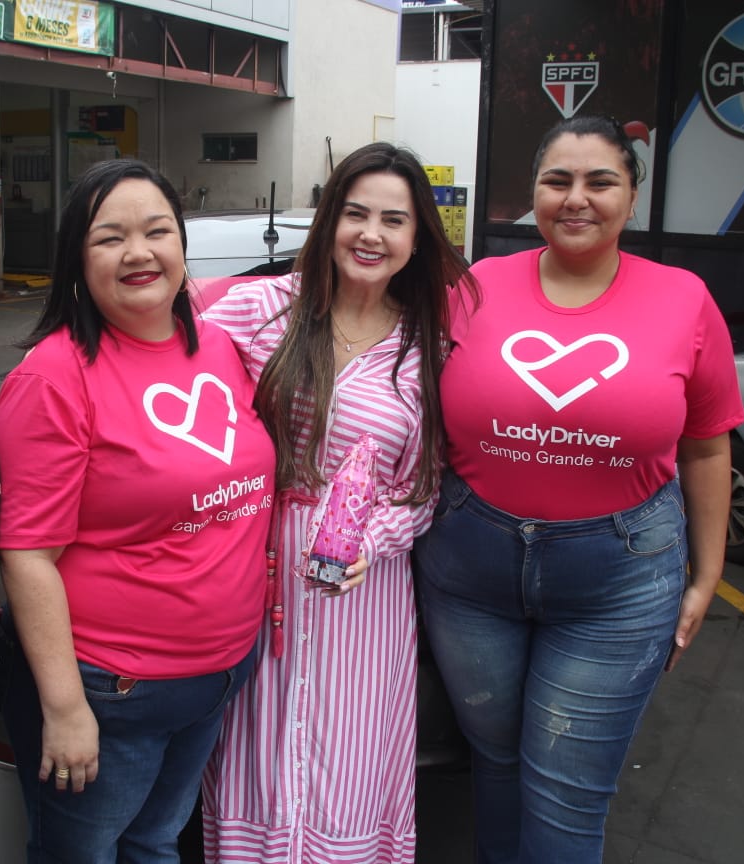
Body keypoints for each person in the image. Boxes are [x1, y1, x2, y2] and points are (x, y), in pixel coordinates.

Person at [413, 114, 744, 863]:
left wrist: (708, 573)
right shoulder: (473, 286)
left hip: (619, 584)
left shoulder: (684, 298)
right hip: (469, 575)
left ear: (632, 196)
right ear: (533, 192)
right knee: (495, 767)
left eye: (601, 181)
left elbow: (706, 445)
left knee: (567, 794)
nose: (576, 198)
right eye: (557, 180)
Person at [0, 158, 275, 864]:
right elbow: (25, 554)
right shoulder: (54, 377)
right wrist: (64, 707)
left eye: (157, 231)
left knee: (155, 842)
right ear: (76, 260)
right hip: (110, 689)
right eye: (110, 238)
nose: (139, 252)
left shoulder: (216, 347)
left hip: (219, 672)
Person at [199, 142, 475, 862]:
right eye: (356, 214)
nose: (371, 234)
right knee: (258, 744)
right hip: (257, 571)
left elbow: (422, 489)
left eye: (393, 220)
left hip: (364, 593)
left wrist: (372, 541)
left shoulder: (427, 349)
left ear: (417, 239)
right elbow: (161, 347)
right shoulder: (264, 309)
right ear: (329, 221)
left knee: (348, 752)